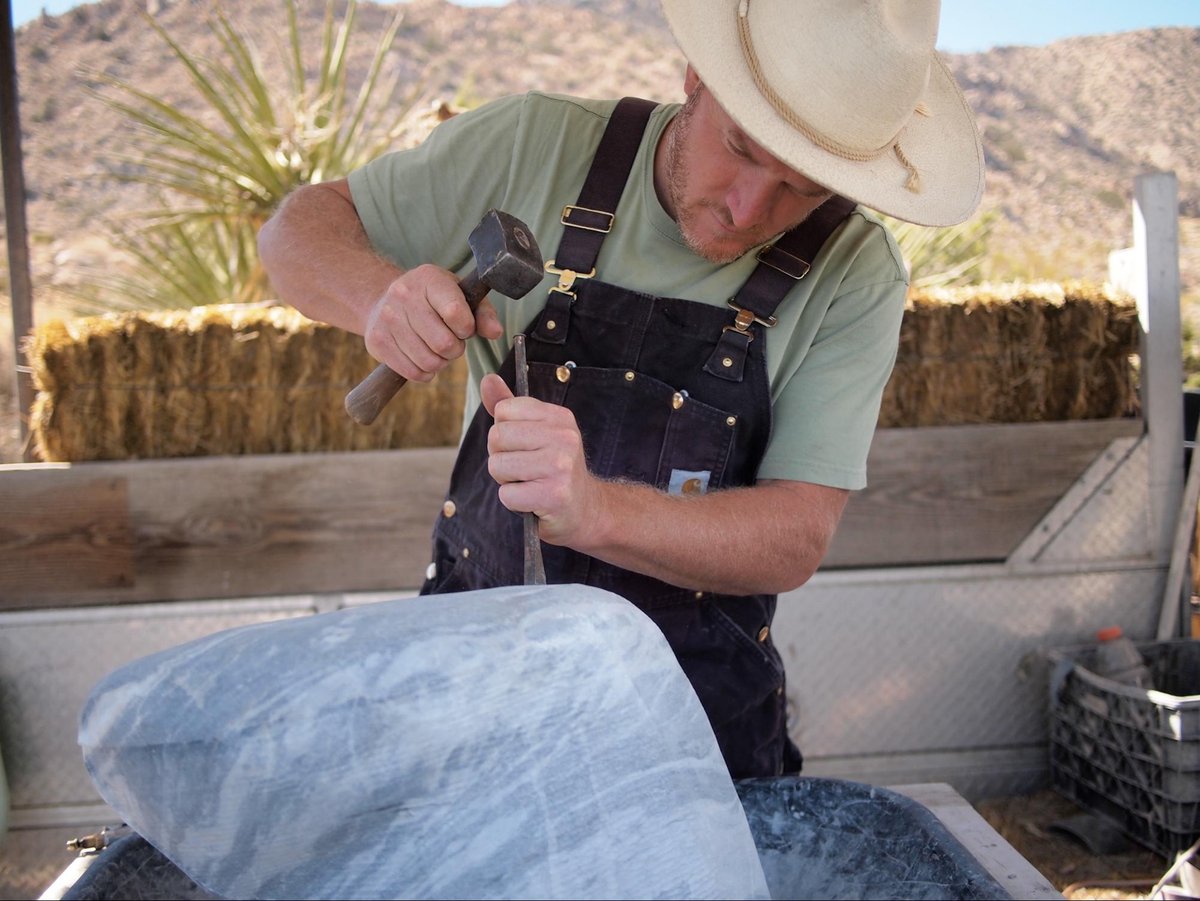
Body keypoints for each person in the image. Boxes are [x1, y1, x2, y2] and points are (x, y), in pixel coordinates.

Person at [257, 0, 984, 780]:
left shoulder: (856, 272)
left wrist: (597, 510)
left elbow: (796, 536)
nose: (746, 210)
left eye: (801, 190)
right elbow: (294, 231)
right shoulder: (535, 144)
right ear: (696, 75)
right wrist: (378, 300)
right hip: (472, 683)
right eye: (739, 148)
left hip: (693, 732)